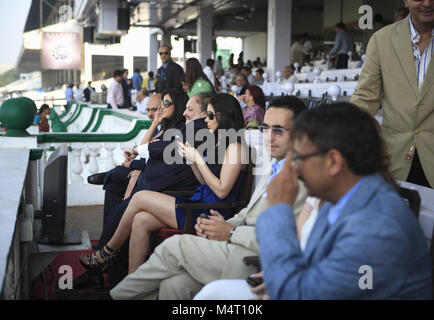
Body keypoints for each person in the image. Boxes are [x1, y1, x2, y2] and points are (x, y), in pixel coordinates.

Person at [103, 96, 309, 300]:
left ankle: (112, 273)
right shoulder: (273, 166)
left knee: (155, 221)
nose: (269, 137)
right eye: (265, 129)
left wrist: (230, 231)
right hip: (219, 221)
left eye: (278, 130)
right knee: (171, 282)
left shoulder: (243, 151)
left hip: (224, 223)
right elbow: (244, 209)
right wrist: (192, 160)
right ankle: (122, 273)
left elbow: (221, 191)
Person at [252, 103, 431, 299]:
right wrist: (281, 276)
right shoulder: (337, 198)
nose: (295, 167)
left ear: (334, 162)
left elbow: (298, 295)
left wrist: (278, 208)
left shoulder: (377, 226)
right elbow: (314, 268)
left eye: (299, 157)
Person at [79, 93, 248, 276]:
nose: (206, 120)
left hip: (211, 212)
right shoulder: (218, 143)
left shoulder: (235, 147)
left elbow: (222, 191)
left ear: (223, 117)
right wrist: (191, 160)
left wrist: (198, 160)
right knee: (140, 220)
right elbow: (204, 181)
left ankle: (107, 252)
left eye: (210, 115)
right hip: (200, 201)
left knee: (140, 197)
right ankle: (133, 284)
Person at [351, 0, 434, 188]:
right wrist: (343, 132)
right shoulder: (382, 40)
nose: (428, 3)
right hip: (395, 160)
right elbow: (365, 97)